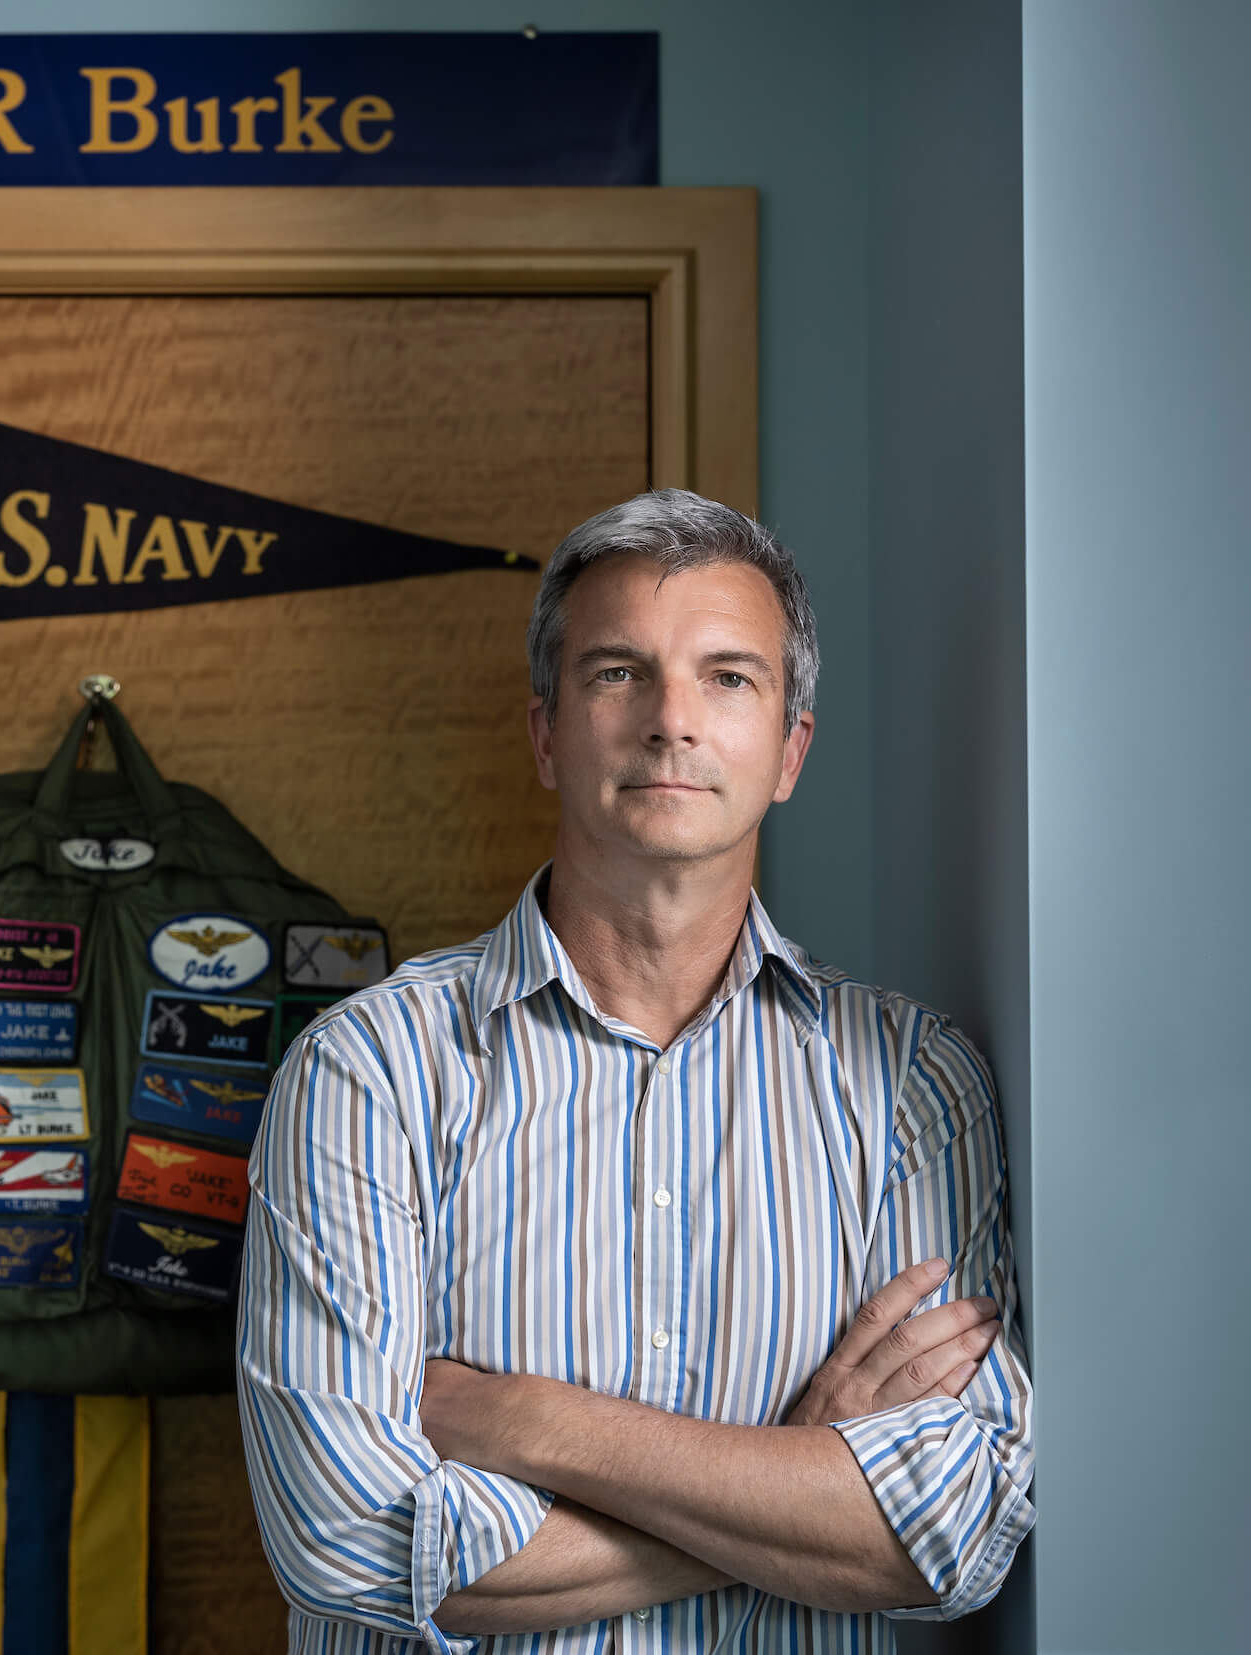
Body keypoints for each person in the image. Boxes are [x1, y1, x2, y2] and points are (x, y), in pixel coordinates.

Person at [235, 490, 1032, 1653]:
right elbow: (345, 1539)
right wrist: (801, 1470)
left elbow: (951, 1528)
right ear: (547, 733)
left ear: (789, 750)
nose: (672, 721)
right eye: (617, 672)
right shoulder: (367, 1075)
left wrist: (531, 1421)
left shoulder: (913, 1086)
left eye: (728, 677)